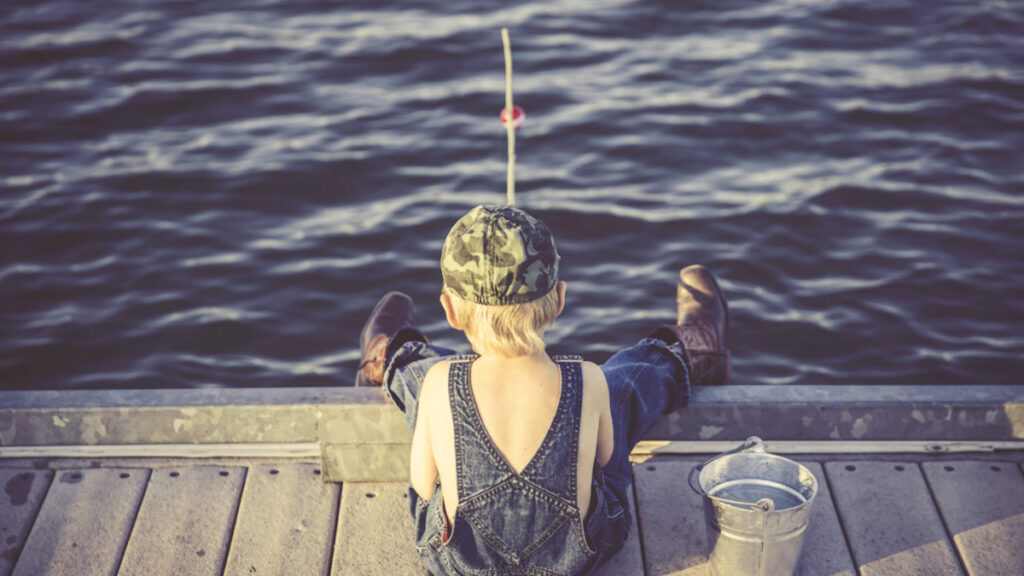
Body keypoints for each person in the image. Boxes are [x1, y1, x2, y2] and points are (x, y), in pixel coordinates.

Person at [355, 204, 730, 575]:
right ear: (560, 300)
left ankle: (392, 355)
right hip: (577, 558)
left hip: (461, 563)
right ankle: (690, 349)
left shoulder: (440, 381)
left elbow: (422, 487)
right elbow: (605, 462)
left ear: (450, 311)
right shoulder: (588, 379)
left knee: (425, 383)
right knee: (618, 386)